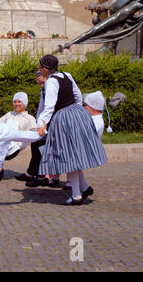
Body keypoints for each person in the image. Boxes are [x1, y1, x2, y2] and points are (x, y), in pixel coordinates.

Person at [36, 54, 107, 205]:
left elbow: (49, 106)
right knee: (74, 154)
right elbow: (77, 95)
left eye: (40, 66)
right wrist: (77, 109)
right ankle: (85, 188)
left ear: (46, 69)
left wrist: (41, 124)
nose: (39, 69)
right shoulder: (66, 75)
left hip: (64, 118)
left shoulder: (51, 82)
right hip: (76, 113)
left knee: (69, 156)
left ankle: (76, 195)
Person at [14, 71, 58, 187]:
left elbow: (51, 107)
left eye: (42, 83)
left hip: (54, 121)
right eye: (39, 84)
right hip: (46, 121)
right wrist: (40, 122)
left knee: (41, 146)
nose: (41, 86)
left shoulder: (52, 88)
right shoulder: (43, 90)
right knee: (36, 143)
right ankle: (32, 173)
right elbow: (41, 107)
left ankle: (41, 175)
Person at [0, 92, 37, 160]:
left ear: (24, 103)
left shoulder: (30, 118)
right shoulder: (9, 114)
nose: (16, 104)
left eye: (19, 102)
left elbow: (35, 133)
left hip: (14, 148)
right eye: (15, 102)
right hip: (3, 143)